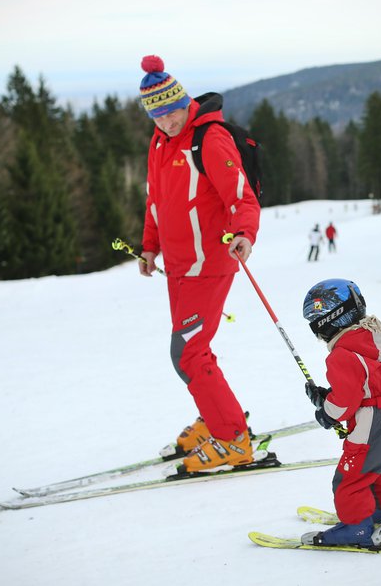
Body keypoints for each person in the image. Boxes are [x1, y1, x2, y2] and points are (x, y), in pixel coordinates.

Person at [137, 55, 261, 473]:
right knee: (192, 350)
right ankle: (218, 419)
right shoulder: (159, 142)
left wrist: (244, 233)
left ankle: (232, 439)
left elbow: (241, 195)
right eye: (158, 116)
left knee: (189, 353)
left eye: (172, 112)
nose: (168, 122)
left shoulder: (207, 138)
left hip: (211, 261)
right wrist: (149, 246)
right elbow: (156, 200)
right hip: (178, 266)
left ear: (184, 101)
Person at [300, 279, 381, 547]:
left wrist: (327, 412)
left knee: (350, 479)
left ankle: (357, 528)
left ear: (328, 319)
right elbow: (367, 382)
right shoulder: (371, 337)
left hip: (371, 420)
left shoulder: (341, 353)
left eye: (314, 320)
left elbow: (346, 401)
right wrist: (328, 395)